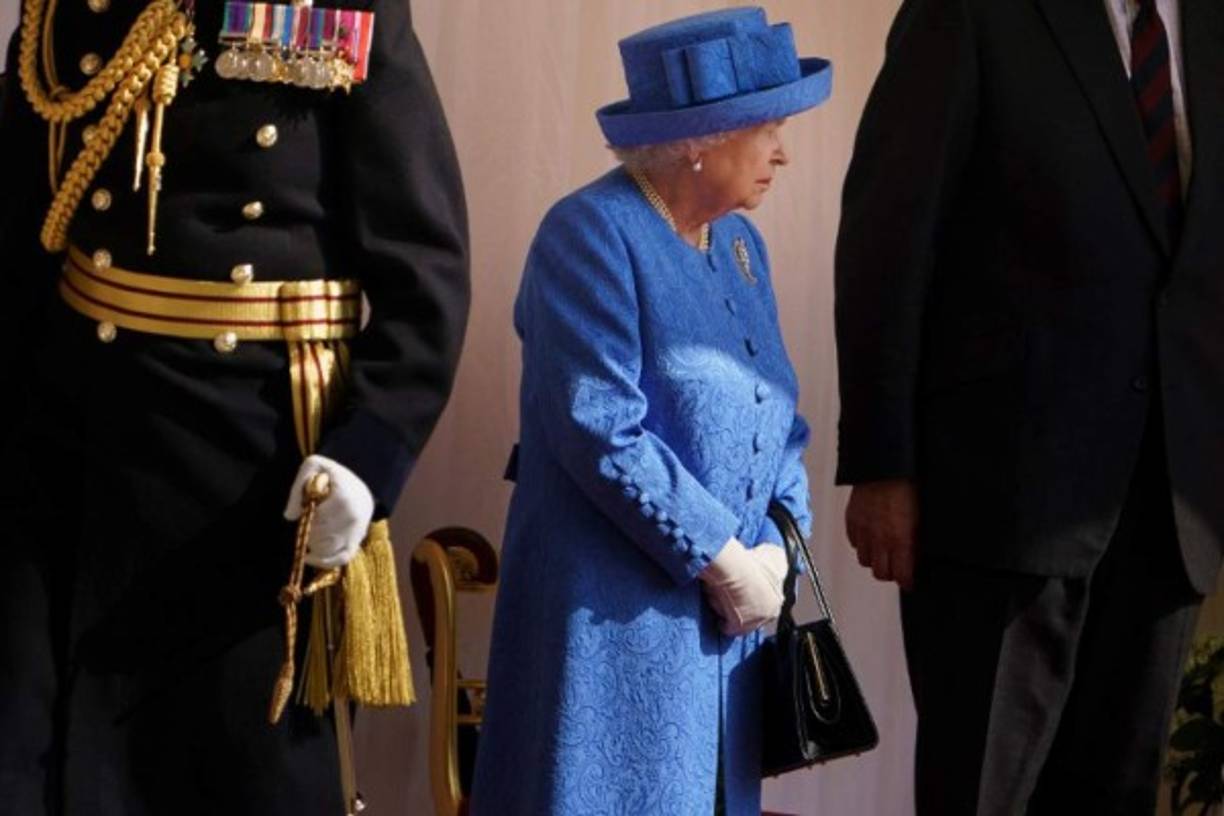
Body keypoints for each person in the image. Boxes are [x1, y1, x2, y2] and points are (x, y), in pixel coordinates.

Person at [0, 0, 469, 813]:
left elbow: (422, 267)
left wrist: (369, 456)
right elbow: (19, 233)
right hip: (75, 439)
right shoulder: (65, 12)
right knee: (39, 747)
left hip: (252, 462)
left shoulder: (331, 11)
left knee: (236, 766)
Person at [835, 0, 1223, 812]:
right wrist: (882, 463)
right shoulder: (973, 13)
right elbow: (889, 233)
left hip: (1173, 504)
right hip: (998, 497)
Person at [470, 8, 832, 815]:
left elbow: (783, 420)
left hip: (726, 637)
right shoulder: (589, 232)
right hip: (612, 625)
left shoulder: (741, 246)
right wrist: (720, 558)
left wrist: (778, 546)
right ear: (699, 138)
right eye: (767, 128)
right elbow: (596, 424)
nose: (783, 151)